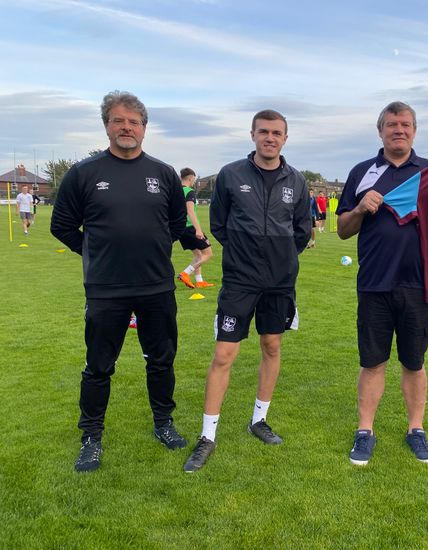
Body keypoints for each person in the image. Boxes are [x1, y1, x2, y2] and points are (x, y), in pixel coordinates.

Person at [50, 90, 188, 473]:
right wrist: (95, 251)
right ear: (106, 125)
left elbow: (177, 223)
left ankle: (164, 423)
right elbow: (62, 225)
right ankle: (91, 438)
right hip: (106, 289)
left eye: (134, 122)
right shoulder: (84, 173)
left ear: (144, 128)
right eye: (118, 120)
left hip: (156, 286)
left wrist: (160, 247)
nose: (126, 127)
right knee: (98, 366)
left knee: (161, 361)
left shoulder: (163, 174)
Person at [184, 109, 310, 473]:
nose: (270, 138)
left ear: (285, 138)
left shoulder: (297, 180)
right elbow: (219, 225)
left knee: (271, 346)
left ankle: (259, 420)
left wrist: (280, 258)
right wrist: (246, 255)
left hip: (280, 282)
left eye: (276, 133)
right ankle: (207, 436)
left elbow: (301, 230)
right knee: (224, 354)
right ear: (252, 135)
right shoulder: (230, 174)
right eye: (263, 131)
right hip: (240, 280)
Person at [337, 101, 428, 466]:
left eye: (406, 124)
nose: (399, 130)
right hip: (374, 283)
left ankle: (416, 429)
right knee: (373, 362)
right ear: (380, 131)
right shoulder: (362, 172)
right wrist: (360, 208)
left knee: (414, 362)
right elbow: (343, 229)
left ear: (415, 130)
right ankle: (365, 430)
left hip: (418, 284)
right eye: (392, 124)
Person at [176, 167, 215, 289]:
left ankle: (199, 281)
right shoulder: (189, 191)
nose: (194, 181)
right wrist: (198, 229)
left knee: (198, 255)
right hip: (190, 227)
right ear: (191, 178)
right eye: (194, 179)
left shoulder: (176, 191)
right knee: (208, 254)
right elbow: (190, 211)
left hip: (181, 229)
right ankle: (185, 273)